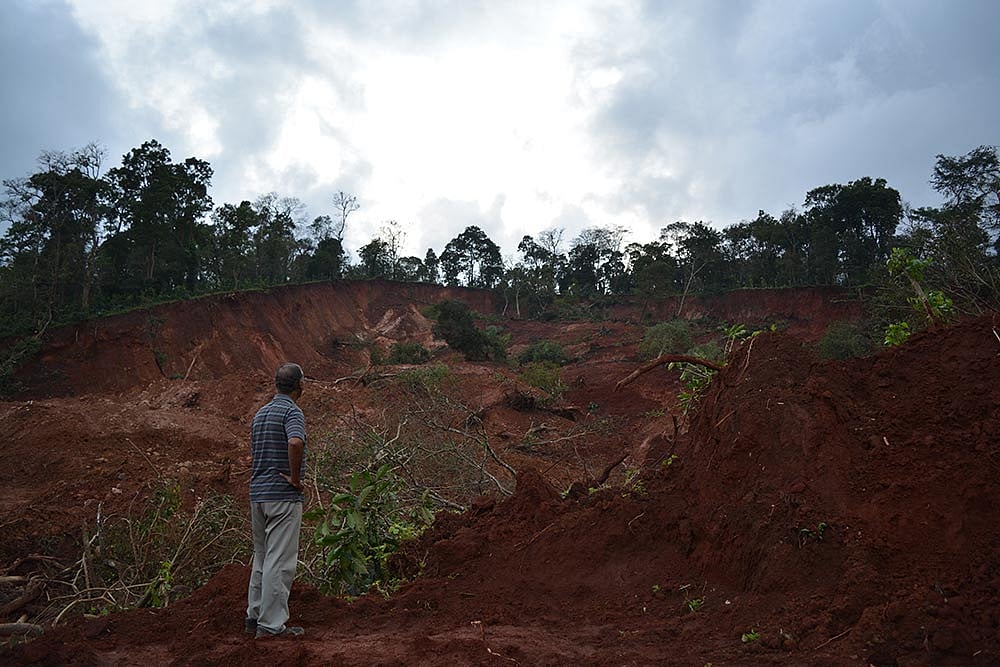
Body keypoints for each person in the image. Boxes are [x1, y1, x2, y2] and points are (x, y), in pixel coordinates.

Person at [245, 362, 308, 639]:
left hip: (258, 495)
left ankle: (254, 615)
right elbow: (295, 442)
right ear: (300, 385)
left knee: (261, 556)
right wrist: (295, 479)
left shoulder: (261, 414)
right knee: (280, 560)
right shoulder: (292, 412)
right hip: (282, 496)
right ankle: (271, 625)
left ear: (276, 384)